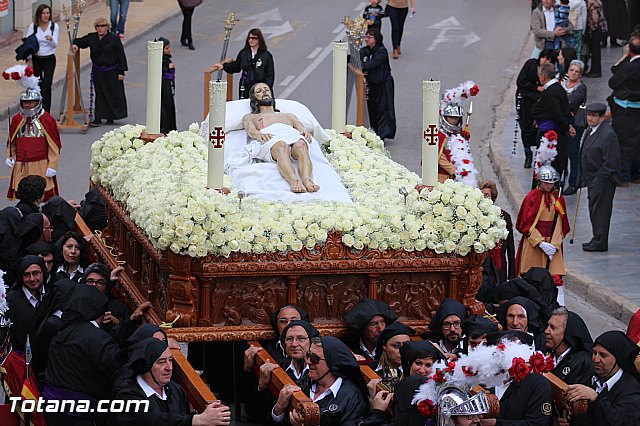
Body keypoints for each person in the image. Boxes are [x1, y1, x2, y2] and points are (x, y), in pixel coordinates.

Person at [44, 284, 152, 425]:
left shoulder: (65, 331)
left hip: (53, 409)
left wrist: (129, 323)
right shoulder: (94, 336)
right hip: (81, 415)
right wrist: (148, 343)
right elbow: (117, 363)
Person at [112, 337, 232, 425]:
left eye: (170, 360)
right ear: (145, 366)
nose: (169, 367)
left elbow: (180, 418)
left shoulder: (176, 390)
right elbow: (153, 420)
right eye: (161, 362)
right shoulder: (126, 395)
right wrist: (197, 420)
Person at [271, 336, 368, 425]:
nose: (308, 361)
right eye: (308, 355)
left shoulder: (351, 397)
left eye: (314, 358)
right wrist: (279, 409)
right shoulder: (301, 383)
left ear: (332, 362)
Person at [242, 83, 319, 193]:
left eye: (266, 90)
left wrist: (304, 131)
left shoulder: (288, 116)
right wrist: (258, 135)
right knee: (281, 145)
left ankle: (307, 180)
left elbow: (299, 126)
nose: (264, 92)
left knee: (301, 144)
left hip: (290, 135)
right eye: (259, 91)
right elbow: (250, 130)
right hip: (271, 139)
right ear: (255, 100)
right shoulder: (252, 117)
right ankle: (294, 181)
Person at [564, 331, 640, 426]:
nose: (596, 359)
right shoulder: (589, 374)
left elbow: (620, 421)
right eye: (594, 353)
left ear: (618, 358)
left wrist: (595, 398)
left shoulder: (631, 390)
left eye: (603, 355)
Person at [578, 102, 620, 252]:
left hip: (602, 181)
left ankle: (600, 241)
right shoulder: (590, 130)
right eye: (589, 115)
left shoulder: (608, 135)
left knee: (601, 211)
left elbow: (610, 163)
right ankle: (596, 237)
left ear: (602, 117)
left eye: (594, 116)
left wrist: (598, 180)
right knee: (594, 209)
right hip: (592, 179)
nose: (590, 118)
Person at [6, 88, 61, 201]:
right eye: (25, 102)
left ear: (38, 102)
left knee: (41, 194)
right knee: (23, 195)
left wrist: (52, 164)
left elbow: (54, 146)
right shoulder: (17, 119)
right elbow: (12, 141)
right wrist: (10, 156)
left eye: (31, 102)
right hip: (22, 165)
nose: (28, 105)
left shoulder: (47, 119)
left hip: (40, 165)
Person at [515, 164, 570, 277]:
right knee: (531, 276)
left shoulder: (558, 199)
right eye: (546, 182)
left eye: (552, 183)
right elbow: (525, 224)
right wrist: (540, 243)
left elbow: (561, 223)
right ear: (539, 181)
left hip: (553, 243)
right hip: (534, 244)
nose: (549, 185)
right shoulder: (531, 198)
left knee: (554, 278)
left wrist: (554, 245)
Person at [73, 17, 128, 127]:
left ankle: (110, 117)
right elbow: (80, 41)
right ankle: (98, 117)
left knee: (112, 93)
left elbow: (121, 55)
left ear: (107, 27)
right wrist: (75, 44)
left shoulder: (114, 39)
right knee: (100, 93)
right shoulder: (92, 38)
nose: (100, 28)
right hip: (98, 71)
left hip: (112, 70)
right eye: (98, 26)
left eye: (102, 26)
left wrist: (121, 71)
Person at [608, 35, 640, 187]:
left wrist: (624, 57)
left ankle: (623, 176)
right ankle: (636, 175)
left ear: (629, 49)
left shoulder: (629, 67)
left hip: (627, 110)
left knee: (624, 143)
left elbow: (613, 82)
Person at [532, 63, 574, 176]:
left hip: (551, 136)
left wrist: (567, 126)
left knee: (548, 166)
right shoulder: (554, 89)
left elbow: (556, 114)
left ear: (543, 76)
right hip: (549, 131)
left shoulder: (552, 91)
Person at [516, 48, 556, 168]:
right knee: (525, 128)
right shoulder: (530, 64)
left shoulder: (551, 72)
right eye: (543, 57)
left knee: (538, 130)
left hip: (539, 103)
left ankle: (539, 155)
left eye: (548, 59)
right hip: (525, 101)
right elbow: (520, 81)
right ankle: (528, 155)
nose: (545, 60)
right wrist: (535, 88)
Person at [210, 29, 274, 99]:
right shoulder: (244, 53)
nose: (251, 40)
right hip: (246, 86)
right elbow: (237, 66)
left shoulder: (266, 55)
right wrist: (223, 66)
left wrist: (266, 88)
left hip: (261, 87)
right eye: (249, 38)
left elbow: (270, 74)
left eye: (254, 38)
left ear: (259, 39)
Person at [360, 28, 396, 141]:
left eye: (370, 37)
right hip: (372, 84)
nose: (367, 39)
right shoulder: (365, 50)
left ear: (376, 39)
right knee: (372, 108)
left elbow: (372, 64)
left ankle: (382, 133)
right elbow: (356, 58)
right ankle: (373, 130)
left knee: (383, 109)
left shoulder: (381, 51)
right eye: (366, 37)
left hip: (383, 84)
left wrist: (362, 66)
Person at [6, 255, 48, 353]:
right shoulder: (10, 300)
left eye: (36, 273)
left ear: (43, 273)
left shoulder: (52, 295)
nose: (32, 279)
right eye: (27, 274)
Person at [479, 180, 516, 286]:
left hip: (499, 268)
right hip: (481, 269)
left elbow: (510, 248)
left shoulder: (505, 216)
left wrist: (512, 276)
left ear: (493, 197)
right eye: (482, 195)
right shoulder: (475, 216)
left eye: (487, 195)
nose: (484, 198)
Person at [544, 307, 594, 387]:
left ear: (567, 333)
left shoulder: (582, 363)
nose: (546, 331)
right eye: (548, 326)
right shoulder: (544, 349)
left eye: (553, 328)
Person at [561, 59, 587, 195]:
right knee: (562, 152)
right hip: (562, 123)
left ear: (580, 75)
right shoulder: (562, 83)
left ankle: (573, 183)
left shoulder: (580, 88)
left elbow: (570, 104)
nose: (573, 73)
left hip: (575, 125)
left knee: (573, 153)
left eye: (577, 71)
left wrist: (560, 105)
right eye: (571, 70)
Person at [344, 298, 397, 363]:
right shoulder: (351, 348)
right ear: (363, 328)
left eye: (382, 322)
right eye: (373, 324)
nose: (381, 329)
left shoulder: (390, 348)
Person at [26, 4, 58, 112]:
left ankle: (46, 112)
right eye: (43, 13)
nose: (45, 16)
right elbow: (28, 44)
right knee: (36, 85)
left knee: (46, 85)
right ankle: (36, 110)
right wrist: (29, 59)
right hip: (37, 59)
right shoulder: (33, 27)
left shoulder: (54, 26)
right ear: (39, 15)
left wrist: (51, 39)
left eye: (47, 13)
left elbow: (55, 45)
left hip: (49, 58)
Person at [371, 321, 415, 388]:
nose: (402, 351)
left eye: (406, 346)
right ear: (384, 346)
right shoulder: (371, 370)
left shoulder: (415, 370)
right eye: (396, 346)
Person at [157, 37, 177, 135]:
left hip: (169, 85)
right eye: (166, 48)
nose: (169, 50)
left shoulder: (167, 59)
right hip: (164, 86)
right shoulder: (160, 60)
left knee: (170, 106)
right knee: (165, 107)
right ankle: (165, 128)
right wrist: (168, 68)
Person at [584, 0, 608, 78]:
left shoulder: (592, 3)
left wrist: (591, 28)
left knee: (595, 50)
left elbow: (595, 18)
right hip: (597, 28)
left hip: (595, 29)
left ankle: (595, 71)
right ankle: (594, 70)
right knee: (595, 50)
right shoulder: (595, 2)